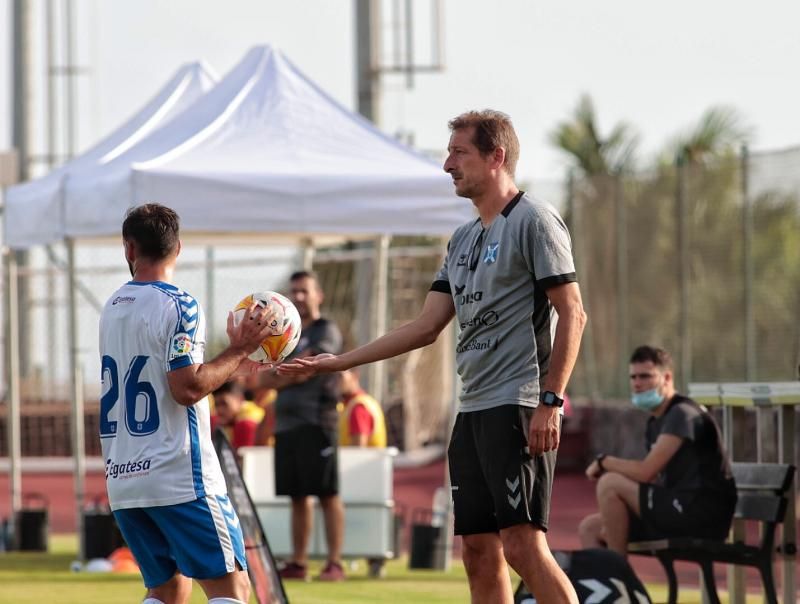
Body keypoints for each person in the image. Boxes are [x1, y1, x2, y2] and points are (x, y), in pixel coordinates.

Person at [279, 110, 587, 604]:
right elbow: (424, 327)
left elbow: (573, 314)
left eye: (459, 153)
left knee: (523, 547)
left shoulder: (535, 221)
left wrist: (551, 401)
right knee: (478, 552)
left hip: (519, 404)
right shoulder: (462, 240)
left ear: (496, 157)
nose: (447, 165)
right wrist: (340, 362)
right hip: (473, 412)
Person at [100, 203, 278, 604]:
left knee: (167, 589)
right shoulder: (179, 303)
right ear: (178, 248)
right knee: (231, 587)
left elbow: (165, 380)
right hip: (178, 474)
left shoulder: (113, 307)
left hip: (126, 475)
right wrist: (240, 347)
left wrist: (232, 365)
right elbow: (187, 389)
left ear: (129, 249)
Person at [577, 345, 737, 558]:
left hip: (700, 515)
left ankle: (619, 577)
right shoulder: (656, 423)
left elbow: (646, 472)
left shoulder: (683, 413)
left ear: (667, 378)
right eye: (633, 377)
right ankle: (607, 587)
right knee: (591, 527)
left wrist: (604, 462)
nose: (637, 383)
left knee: (609, 483)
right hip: (677, 508)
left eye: (645, 376)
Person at [259, 270, 345, 582]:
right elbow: (261, 378)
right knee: (297, 495)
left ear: (318, 294)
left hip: (317, 420)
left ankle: (335, 563)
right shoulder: (285, 334)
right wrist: (283, 373)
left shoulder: (326, 330)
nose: (298, 297)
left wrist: (279, 374)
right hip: (286, 425)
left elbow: (310, 367)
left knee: (326, 493)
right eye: (294, 291)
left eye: (304, 291)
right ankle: (298, 562)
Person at [338, 368, 387, 448]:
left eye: (340, 376)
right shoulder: (353, 403)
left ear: (355, 375)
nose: (336, 381)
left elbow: (358, 451)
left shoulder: (358, 407)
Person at [210, 380, 264, 452]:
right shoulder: (231, 422)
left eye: (224, 404)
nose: (219, 410)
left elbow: (241, 460)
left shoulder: (246, 424)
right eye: (217, 405)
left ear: (240, 399)